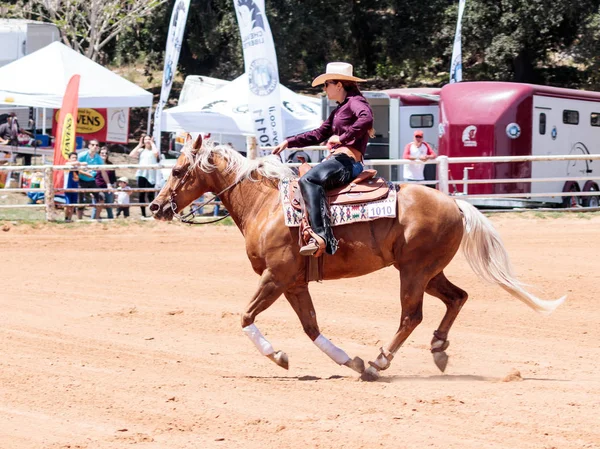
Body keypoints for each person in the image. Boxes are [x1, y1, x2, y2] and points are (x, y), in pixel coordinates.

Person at [273, 62, 373, 257]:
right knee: (307, 178)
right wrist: (289, 142)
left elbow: (366, 119)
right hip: (341, 159)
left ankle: (321, 237)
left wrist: (342, 137)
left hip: (347, 162)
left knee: (309, 180)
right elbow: (319, 134)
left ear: (339, 85)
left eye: (327, 84)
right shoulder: (339, 110)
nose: (325, 88)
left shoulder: (355, 102)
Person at [77, 139, 110, 219]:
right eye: (93, 145)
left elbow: (103, 172)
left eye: (97, 145)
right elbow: (75, 168)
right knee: (80, 201)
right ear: (89, 146)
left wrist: (109, 184)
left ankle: (96, 218)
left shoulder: (98, 158)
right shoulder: (82, 155)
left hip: (92, 181)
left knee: (101, 197)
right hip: (81, 180)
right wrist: (85, 173)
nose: (95, 147)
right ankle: (79, 220)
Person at [129, 134, 159, 218]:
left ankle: (153, 214)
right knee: (141, 195)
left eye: (149, 139)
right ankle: (143, 214)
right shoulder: (141, 150)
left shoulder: (153, 149)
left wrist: (152, 143)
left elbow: (156, 153)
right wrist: (139, 145)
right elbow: (131, 155)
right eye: (146, 139)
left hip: (151, 175)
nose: (147, 141)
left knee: (150, 195)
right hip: (142, 174)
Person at [64, 152, 91, 222]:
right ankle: (66, 217)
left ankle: (69, 218)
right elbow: (67, 164)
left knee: (73, 204)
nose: (75, 159)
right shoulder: (67, 165)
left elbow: (85, 163)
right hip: (68, 187)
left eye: (76, 157)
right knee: (68, 204)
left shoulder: (77, 166)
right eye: (73, 157)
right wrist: (77, 163)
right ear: (69, 159)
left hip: (75, 187)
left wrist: (78, 163)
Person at [92, 146, 117, 219]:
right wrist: (91, 190)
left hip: (108, 188)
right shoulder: (95, 164)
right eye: (102, 153)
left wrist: (113, 189)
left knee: (109, 206)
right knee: (96, 206)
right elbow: (92, 177)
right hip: (97, 187)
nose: (104, 154)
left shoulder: (110, 165)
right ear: (99, 154)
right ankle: (93, 221)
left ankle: (110, 220)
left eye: (106, 153)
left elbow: (113, 178)